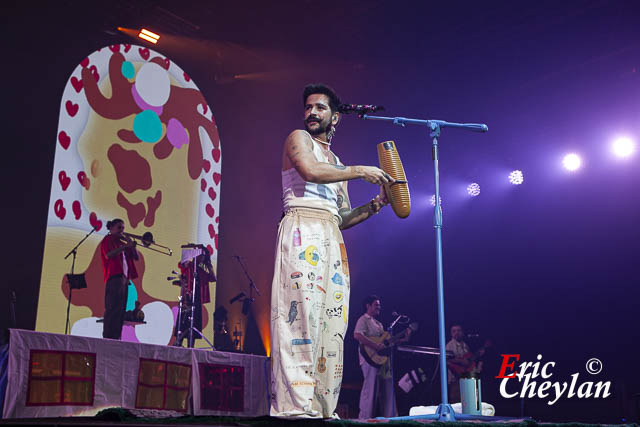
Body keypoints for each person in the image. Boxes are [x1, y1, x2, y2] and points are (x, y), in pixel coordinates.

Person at [270, 83, 393, 418]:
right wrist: (360, 170)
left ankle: (323, 407)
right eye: (308, 107)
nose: (312, 113)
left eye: (320, 108)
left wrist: (376, 205)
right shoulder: (299, 139)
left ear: (335, 117)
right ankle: (295, 407)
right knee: (301, 322)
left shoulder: (336, 162)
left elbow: (342, 217)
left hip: (330, 237)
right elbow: (309, 171)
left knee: (330, 327)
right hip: (302, 229)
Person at [354, 295, 410, 418]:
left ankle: (390, 418)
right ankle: (364, 418)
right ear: (368, 306)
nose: (379, 307)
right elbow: (357, 335)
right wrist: (374, 345)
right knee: (371, 388)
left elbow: (385, 343)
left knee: (387, 388)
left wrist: (402, 339)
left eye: (379, 305)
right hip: (369, 358)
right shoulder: (363, 320)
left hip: (382, 360)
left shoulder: (379, 324)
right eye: (376, 305)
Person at [100, 219, 138, 339]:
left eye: (123, 228)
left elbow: (136, 257)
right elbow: (108, 255)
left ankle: (116, 337)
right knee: (112, 309)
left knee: (120, 311)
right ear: (111, 228)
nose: (122, 230)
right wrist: (125, 246)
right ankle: (108, 337)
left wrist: (131, 245)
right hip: (114, 277)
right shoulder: (107, 239)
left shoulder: (122, 243)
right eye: (119, 227)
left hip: (124, 280)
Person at [176, 246, 216, 346]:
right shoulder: (188, 265)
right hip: (187, 299)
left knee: (193, 329)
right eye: (200, 255)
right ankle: (178, 346)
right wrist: (192, 250)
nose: (202, 258)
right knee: (182, 325)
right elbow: (182, 263)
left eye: (203, 256)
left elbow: (213, 278)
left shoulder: (200, 270)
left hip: (197, 300)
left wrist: (209, 264)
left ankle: (191, 348)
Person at [445, 324, 484, 402]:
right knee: (456, 402)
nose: (457, 333)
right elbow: (447, 360)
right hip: (455, 378)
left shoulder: (465, 345)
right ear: (451, 334)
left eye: (459, 331)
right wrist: (461, 361)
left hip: (466, 378)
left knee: (468, 401)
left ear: (462, 332)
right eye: (454, 331)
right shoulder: (449, 345)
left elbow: (468, 360)